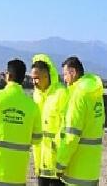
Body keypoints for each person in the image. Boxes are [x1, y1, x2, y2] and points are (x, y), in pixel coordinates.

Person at [0, 59, 42, 185]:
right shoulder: (32, 106)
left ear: (8, 75)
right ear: (23, 78)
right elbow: (37, 139)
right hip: (16, 174)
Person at [56, 56, 105, 185]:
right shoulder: (95, 93)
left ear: (73, 72)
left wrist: (60, 164)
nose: (64, 79)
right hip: (91, 169)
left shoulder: (78, 95)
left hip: (76, 170)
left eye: (65, 74)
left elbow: (71, 136)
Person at [30, 55, 68, 186]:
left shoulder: (61, 94)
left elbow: (67, 127)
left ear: (47, 76)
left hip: (57, 164)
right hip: (40, 163)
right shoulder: (36, 95)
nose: (34, 82)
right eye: (32, 78)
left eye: (37, 78)